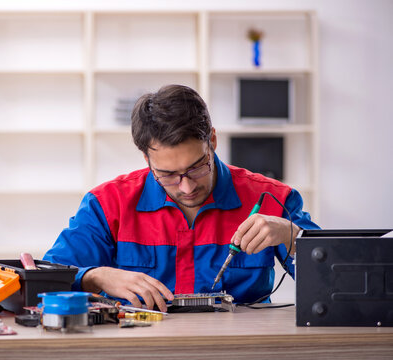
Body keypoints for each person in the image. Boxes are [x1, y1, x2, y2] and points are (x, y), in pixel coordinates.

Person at [43, 84, 319, 312]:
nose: (186, 187)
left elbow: (341, 282)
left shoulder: (273, 198)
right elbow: (45, 281)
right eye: (167, 174)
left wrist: (293, 235)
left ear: (212, 140)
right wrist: (95, 277)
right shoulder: (108, 204)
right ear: (146, 159)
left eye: (197, 167)